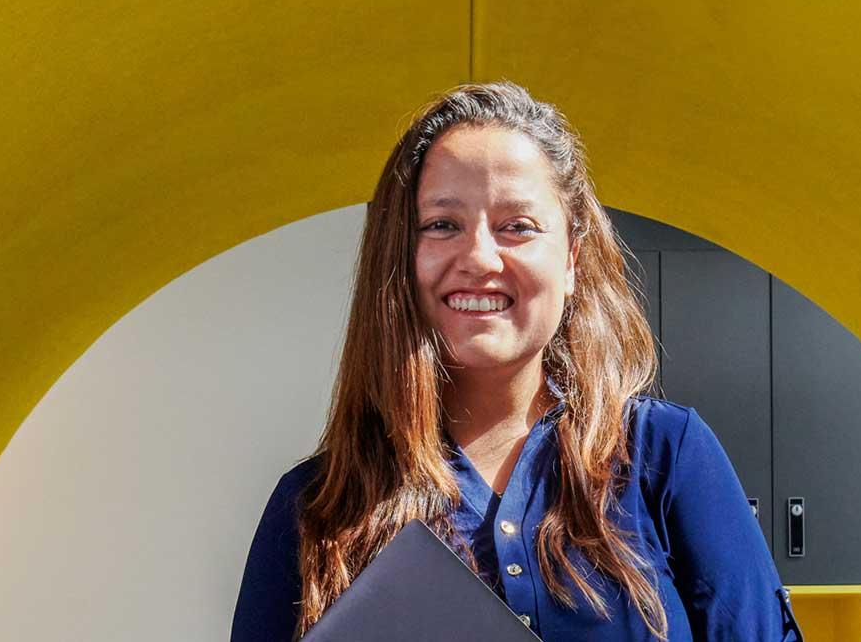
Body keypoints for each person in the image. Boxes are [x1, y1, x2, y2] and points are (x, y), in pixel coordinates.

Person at [230, 83, 803, 641]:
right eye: (442, 225)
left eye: (517, 227)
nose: (479, 256)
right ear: (401, 258)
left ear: (573, 258)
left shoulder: (665, 455)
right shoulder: (315, 504)